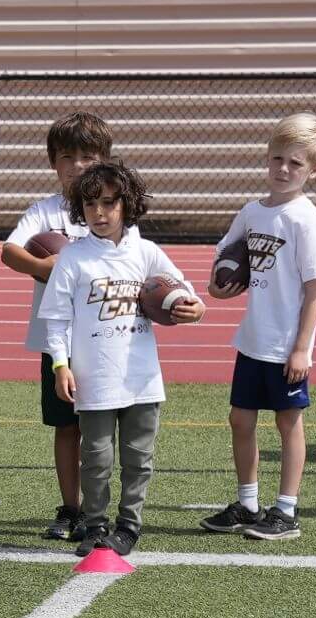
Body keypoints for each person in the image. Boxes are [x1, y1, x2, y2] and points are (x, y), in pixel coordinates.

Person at [39, 161, 205, 557]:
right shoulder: (73, 258)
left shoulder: (146, 252)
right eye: (91, 203)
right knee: (95, 458)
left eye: (109, 203)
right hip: (92, 377)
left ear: (126, 206)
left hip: (141, 378)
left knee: (138, 458)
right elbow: (56, 318)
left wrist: (194, 308)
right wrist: (60, 365)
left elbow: (184, 291)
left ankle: (129, 525)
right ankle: (95, 525)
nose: (100, 212)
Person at [200, 114, 316, 542]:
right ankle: (248, 503)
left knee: (289, 423)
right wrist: (218, 287)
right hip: (253, 339)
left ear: (313, 170)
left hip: (285, 344)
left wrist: (301, 349)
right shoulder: (253, 212)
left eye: (295, 163)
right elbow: (226, 257)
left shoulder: (308, 221)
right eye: (277, 158)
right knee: (241, 419)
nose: (283, 169)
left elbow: (314, 291)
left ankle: (287, 510)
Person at [1, 111, 113, 541]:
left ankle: (98, 511)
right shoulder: (44, 212)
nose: (79, 165)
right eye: (68, 156)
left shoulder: (112, 210)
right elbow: (10, 253)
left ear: (104, 159)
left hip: (105, 337)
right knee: (67, 428)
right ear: (53, 163)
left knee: (99, 430)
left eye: (88, 155)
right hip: (59, 342)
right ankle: (71, 508)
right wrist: (45, 266)